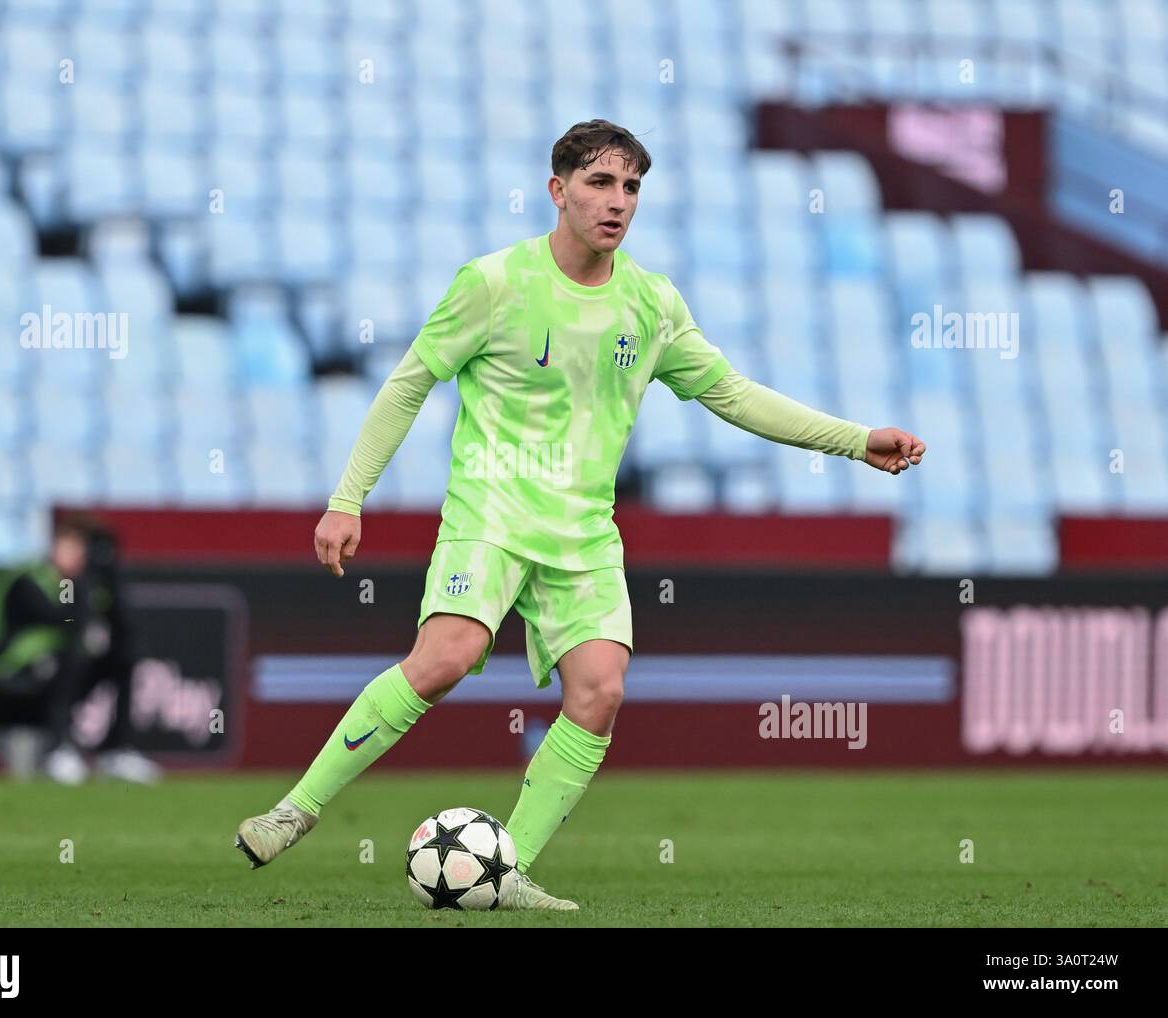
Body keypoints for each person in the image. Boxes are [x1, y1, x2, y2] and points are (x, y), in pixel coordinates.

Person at [236, 120, 925, 908]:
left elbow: (732, 394)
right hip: (491, 510)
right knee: (447, 658)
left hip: (584, 530)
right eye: (600, 183)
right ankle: (295, 810)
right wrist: (346, 499)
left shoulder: (650, 303)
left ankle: (504, 867)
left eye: (631, 187)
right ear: (558, 190)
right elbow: (407, 384)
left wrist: (854, 440)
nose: (618, 202)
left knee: (600, 691)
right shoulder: (492, 283)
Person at [0, 515, 161, 785]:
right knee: (73, 653)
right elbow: (67, 621)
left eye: (82, 548)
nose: (77, 554)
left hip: (57, 672)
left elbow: (127, 627)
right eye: (70, 545)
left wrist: (110, 577)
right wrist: (83, 584)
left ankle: (115, 750)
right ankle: (57, 749)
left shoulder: (85, 582)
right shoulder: (27, 578)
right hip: (3, 673)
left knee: (122, 657)